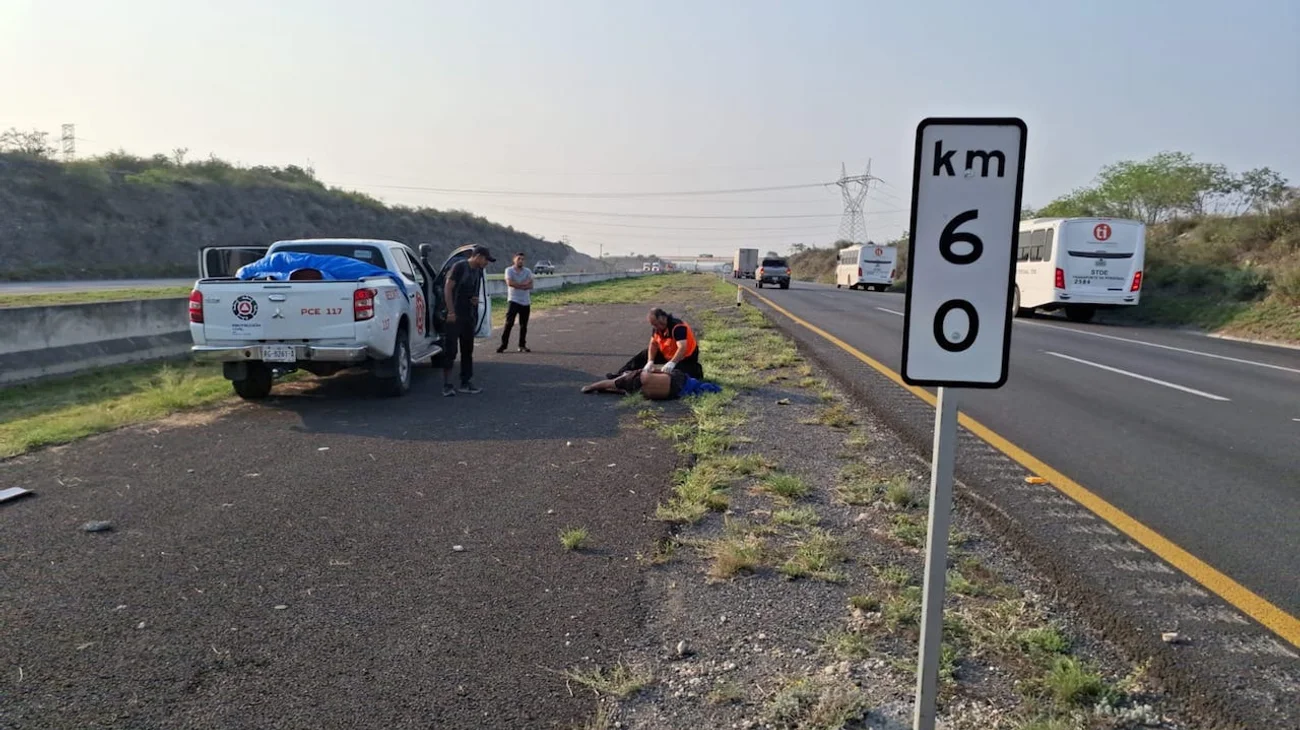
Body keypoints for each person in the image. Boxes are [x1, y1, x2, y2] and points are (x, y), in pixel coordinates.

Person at [442, 245, 495, 397]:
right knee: (451, 351)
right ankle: (447, 385)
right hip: (454, 315)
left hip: (468, 315)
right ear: (478, 257)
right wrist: (451, 311)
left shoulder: (478, 271)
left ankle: (466, 382)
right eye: (486, 260)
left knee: (467, 350)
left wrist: (474, 300)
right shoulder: (459, 267)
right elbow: (448, 288)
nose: (486, 263)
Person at [607, 307, 703, 381]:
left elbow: (682, 347)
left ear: (663, 318)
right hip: (668, 354)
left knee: (677, 374)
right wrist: (650, 361)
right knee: (644, 354)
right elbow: (653, 345)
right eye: (653, 325)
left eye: (657, 324)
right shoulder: (657, 329)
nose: (656, 327)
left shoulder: (678, 327)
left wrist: (672, 363)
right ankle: (619, 374)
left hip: (685, 359)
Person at [497, 252, 533, 353]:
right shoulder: (509, 270)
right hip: (513, 300)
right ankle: (503, 345)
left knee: (523, 325)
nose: (521, 261)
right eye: (519, 259)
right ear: (514, 260)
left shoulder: (527, 271)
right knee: (509, 323)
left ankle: (522, 345)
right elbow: (509, 283)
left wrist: (518, 285)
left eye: (522, 259)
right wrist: (523, 285)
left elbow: (531, 285)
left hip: (525, 301)